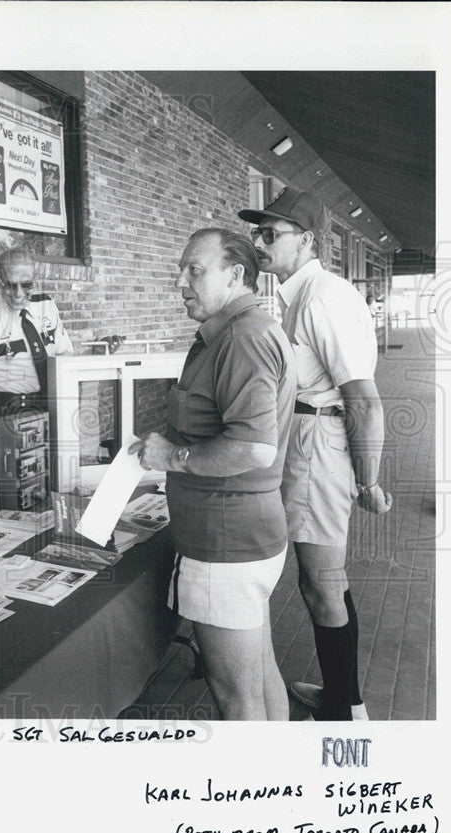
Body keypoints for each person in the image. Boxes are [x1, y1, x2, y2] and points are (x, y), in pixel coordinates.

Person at [238, 187, 392, 721]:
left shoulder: (322, 295)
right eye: (258, 233)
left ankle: (347, 713)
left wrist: (368, 480)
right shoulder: (295, 296)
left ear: (305, 240)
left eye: (271, 234)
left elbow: (364, 401)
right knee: (319, 581)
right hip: (305, 440)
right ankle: (339, 696)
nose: (260, 243)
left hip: (317, 444)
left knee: (323, 582)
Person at [134, 228, 297, 720]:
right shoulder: (233, 333)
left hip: (226, 542)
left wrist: (172, 459)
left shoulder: (243, 338)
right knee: (261, 675)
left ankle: (254, 792)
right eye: (182, 270)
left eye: (195, 270)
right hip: (244, 536)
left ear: (236, 274)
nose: (181, 282)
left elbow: (253, 447)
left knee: (235, 696)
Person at [0, 247, 74, 478]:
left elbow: (66, 361)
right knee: (18, 505)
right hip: (11, 424)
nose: (18, 293)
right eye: (9, 285)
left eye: (27, 284)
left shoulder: (47, 307)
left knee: (61, 494)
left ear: (36, 278)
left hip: (54, 419)